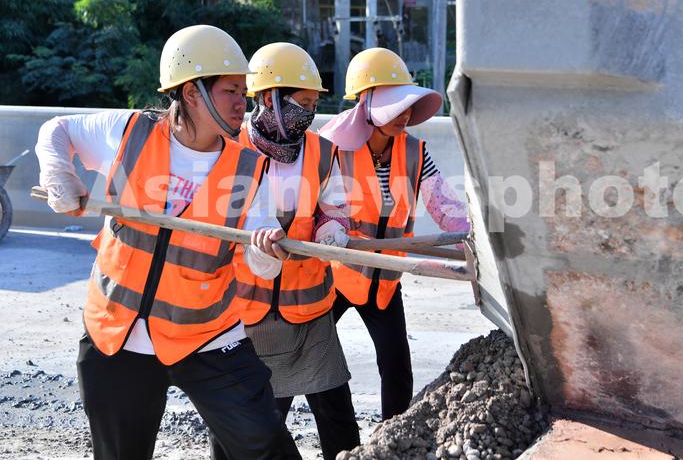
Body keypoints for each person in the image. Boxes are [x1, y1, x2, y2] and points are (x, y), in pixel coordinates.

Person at [35, 25, 302, 459]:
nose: (243, 103)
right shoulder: (130, 133)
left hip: (207, 336)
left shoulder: (249, 169)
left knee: (267, 445)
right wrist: (57, 173)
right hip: (118, 336)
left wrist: (265, 249)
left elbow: (264, 266)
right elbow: (57, 129)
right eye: (231, 91)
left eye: (244, 92)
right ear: (192, 93)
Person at [210, 42, 360, 460]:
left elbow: (335, 205)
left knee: (337, 416)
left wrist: (333, 229)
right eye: (302, 103)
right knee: (248, 421)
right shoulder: (228, 148)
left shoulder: (322, 151)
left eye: (313, 104)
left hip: (309, 311)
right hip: (247, 314)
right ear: (270, 98)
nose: (309, 112)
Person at [319, 47, 470, 420]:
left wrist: (472, 237)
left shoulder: (415, 153)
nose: (404, 114)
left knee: (397, 368)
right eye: (395, 106)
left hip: (384, 281)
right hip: (338, 276)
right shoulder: (334, 150)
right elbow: (319, 205)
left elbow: (445, 206)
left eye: (407, 105)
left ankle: (392, 439)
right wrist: (331, 227)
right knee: (310, 359)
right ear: (367, 105)